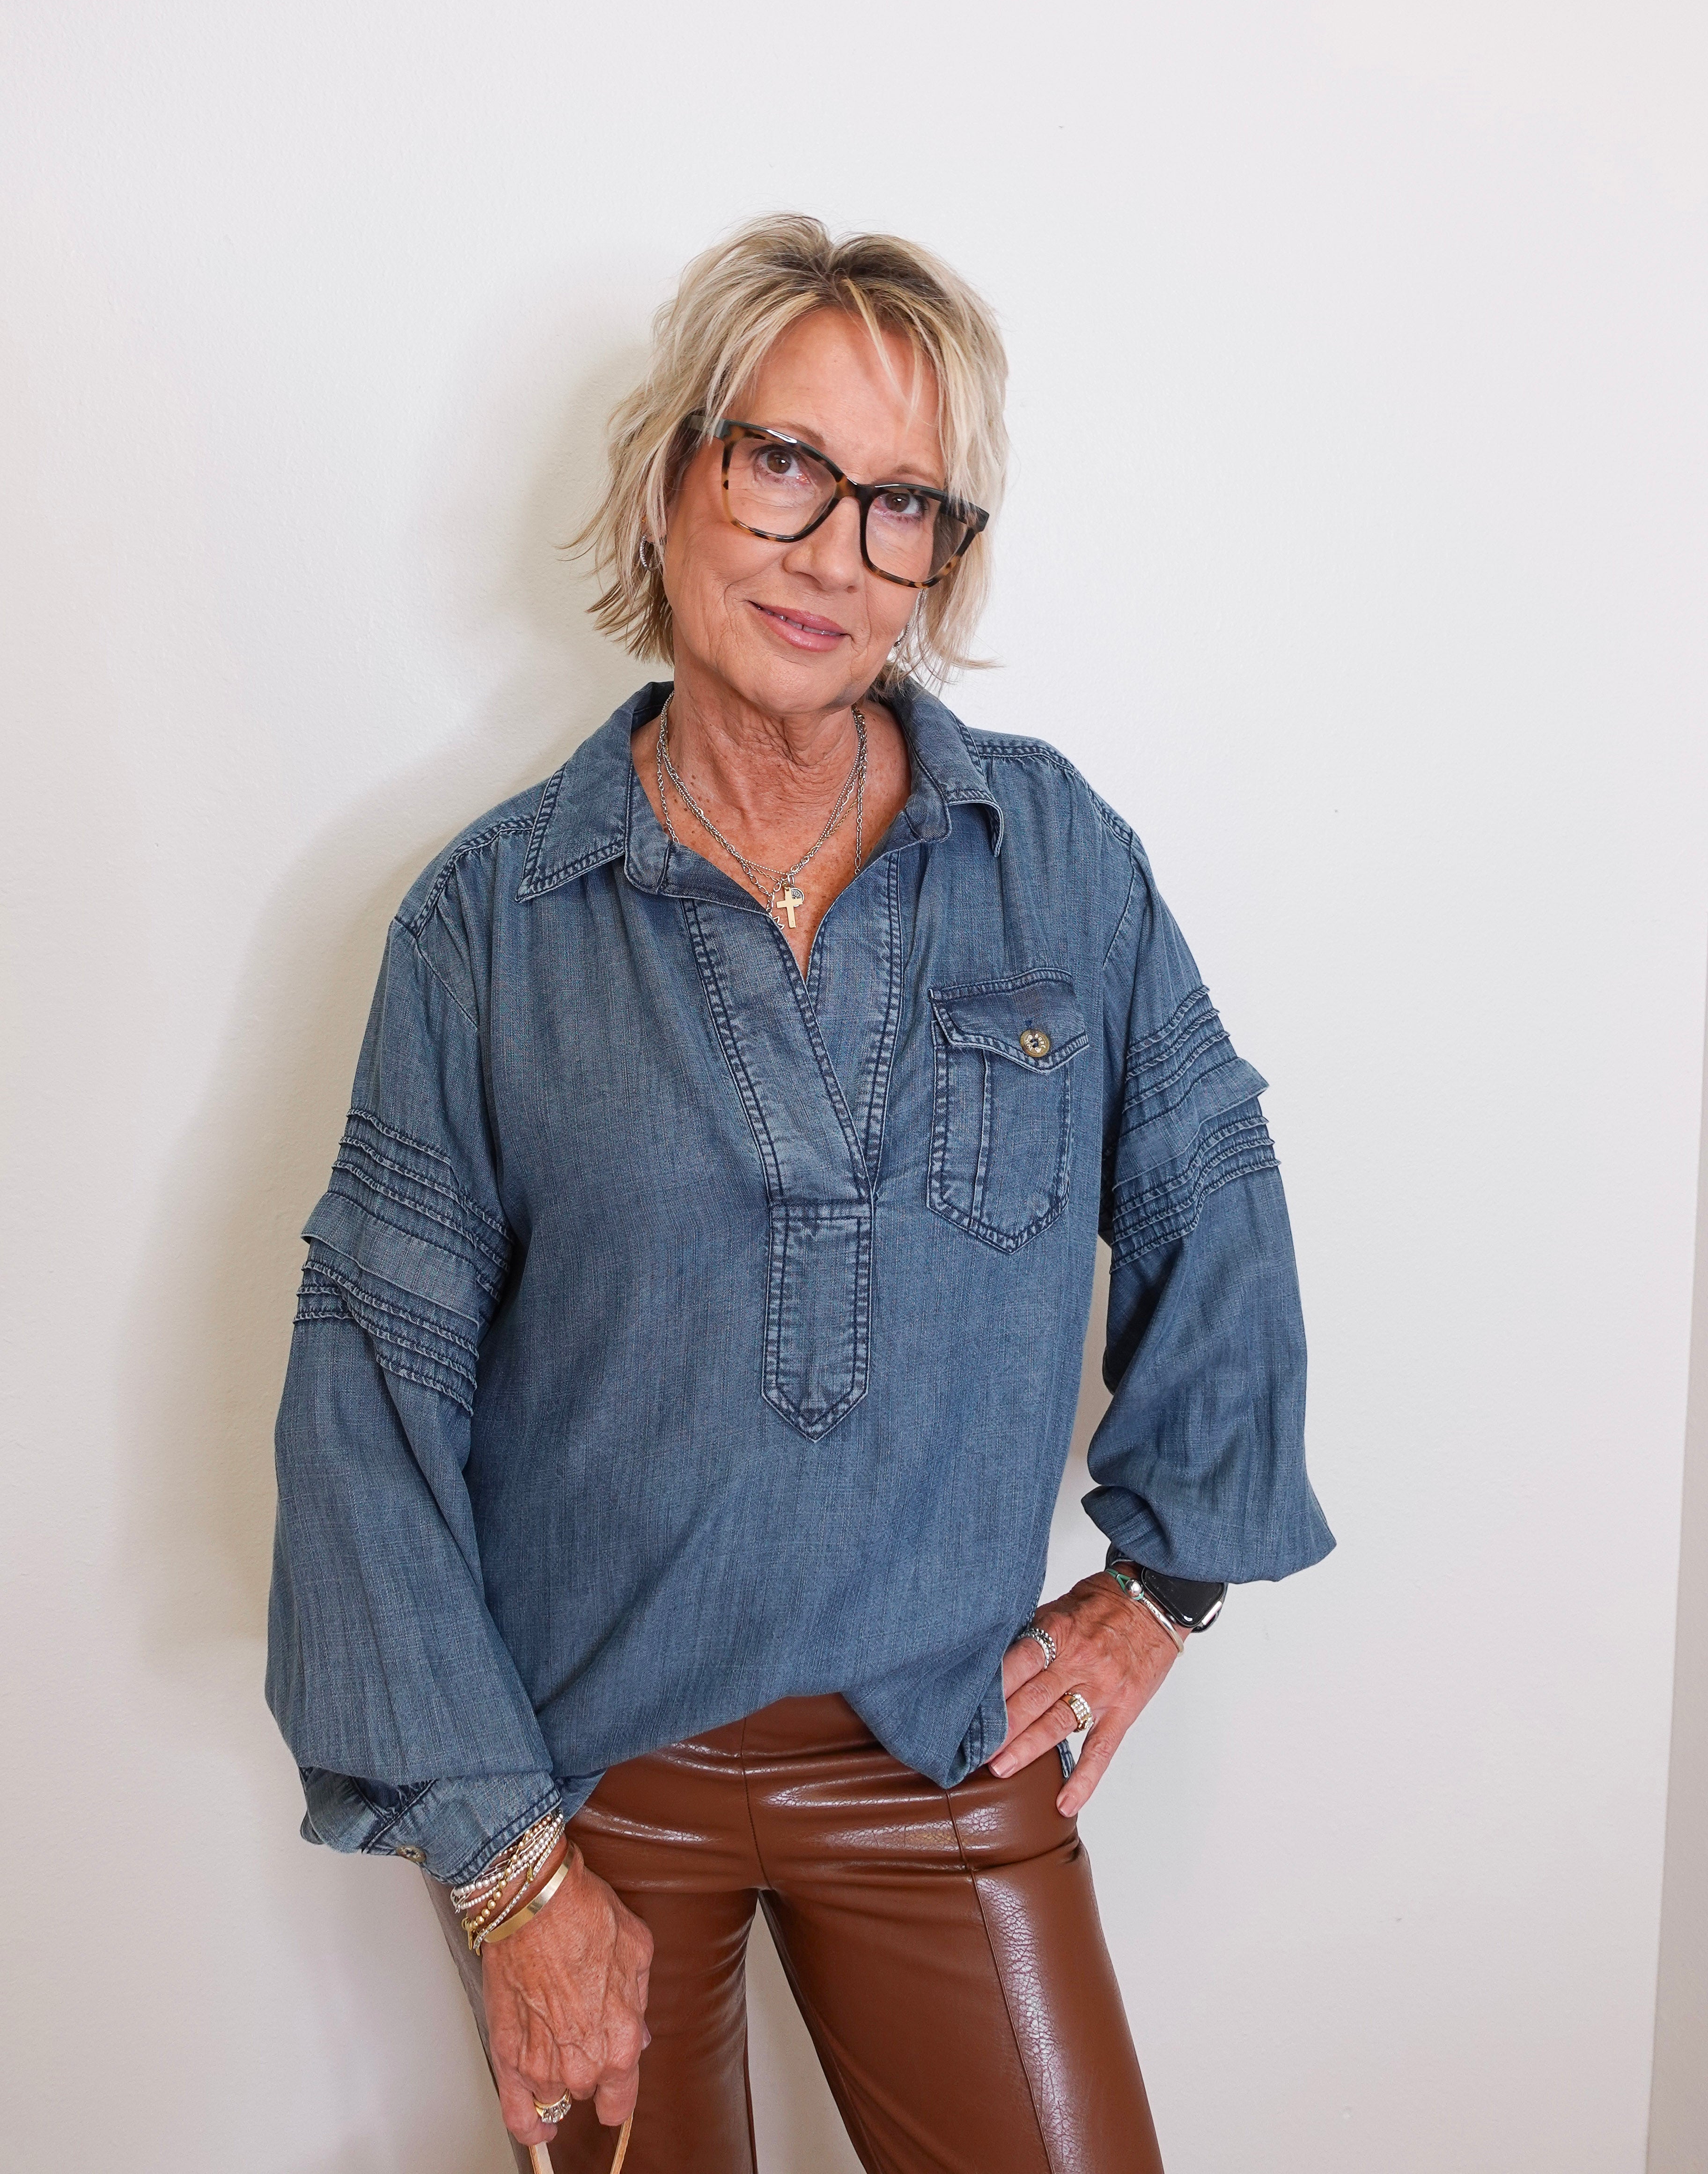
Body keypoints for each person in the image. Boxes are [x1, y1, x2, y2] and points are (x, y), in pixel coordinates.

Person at [266, 214, 1333, 2174]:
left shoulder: (1054, 859)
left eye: (900, 502)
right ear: (673, 476)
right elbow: (367, 1413)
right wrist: (508, 1874)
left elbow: (1216, 1192)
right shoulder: (490, 927)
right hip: (582, 1794)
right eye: (784, 464)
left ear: (942, 556)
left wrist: (1158, 1592)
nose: (834, 551)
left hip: (940, 1752)